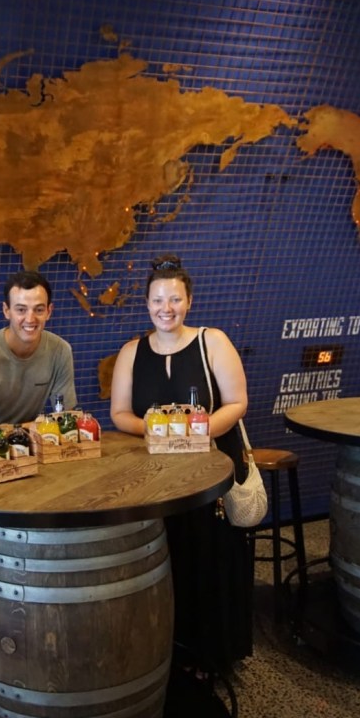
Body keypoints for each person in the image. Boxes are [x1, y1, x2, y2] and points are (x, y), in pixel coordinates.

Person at [109, 254, 253, 674]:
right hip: (155, 474)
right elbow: (119, 414)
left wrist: (197, 433)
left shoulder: (214, 341)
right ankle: (165, 653)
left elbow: (237, 403)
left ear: (189, 301)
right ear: (147, 304)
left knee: (210, 556)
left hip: (212, 469)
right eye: (157, 300)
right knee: (166, 557)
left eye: (174, 299)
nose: (166, 308)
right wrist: (161, 431)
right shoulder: (132, 352)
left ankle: (216, 652)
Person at [0, 269, 77, 437]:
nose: (30, 319)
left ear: (49, 311)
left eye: (39, 310)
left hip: (26, 439)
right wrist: (31, 428)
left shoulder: (61, 350)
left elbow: (66, 419)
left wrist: (25, 431)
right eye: (21, 310)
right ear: (6, 310)